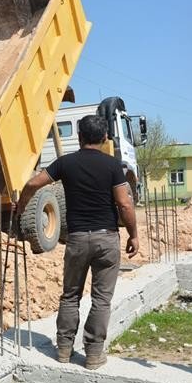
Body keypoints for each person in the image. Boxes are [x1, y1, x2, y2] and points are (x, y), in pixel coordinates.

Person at [18, 114, 139, 369]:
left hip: (77, 240)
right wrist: (133, 234)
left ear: (80, 137)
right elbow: (124, 203)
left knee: (70, 295)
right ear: (105, 138)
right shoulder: (112, 165)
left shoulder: (65, 163)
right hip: (106, 239)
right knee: (101, 299)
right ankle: (94, 354)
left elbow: (32, 183)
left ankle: (63, 349)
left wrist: (22, 206)